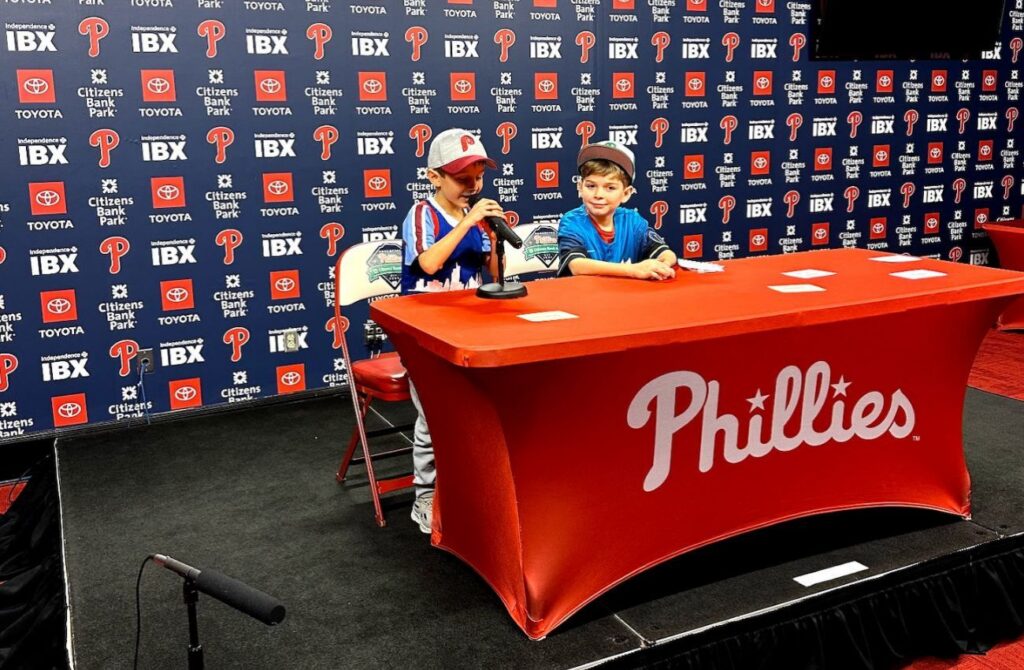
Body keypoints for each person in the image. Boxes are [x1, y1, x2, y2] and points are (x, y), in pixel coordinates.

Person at [400, 128, 505, 533]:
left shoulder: (475, 217)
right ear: (434, 177)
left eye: (478, 177)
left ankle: (470, 488)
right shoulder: (422, 214)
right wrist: (469, 223)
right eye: (462, 178)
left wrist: (493, 235)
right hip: (424, 330)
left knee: (477, 412)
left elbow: (493, 274)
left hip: (468, 328)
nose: (473, 186)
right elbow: (428, 263)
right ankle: (425, 495)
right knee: (434, 416)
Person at [557, 140, 677, 279]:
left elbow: (666, 253)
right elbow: (577, 266)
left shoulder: (632, 221)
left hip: (625, 292)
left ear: (626, 193)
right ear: (580, 187)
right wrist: (633, 270)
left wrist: (662, 265)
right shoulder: (572, 222)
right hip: (584, 292)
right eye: (591, 186)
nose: (598, 195)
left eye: (610, 188)